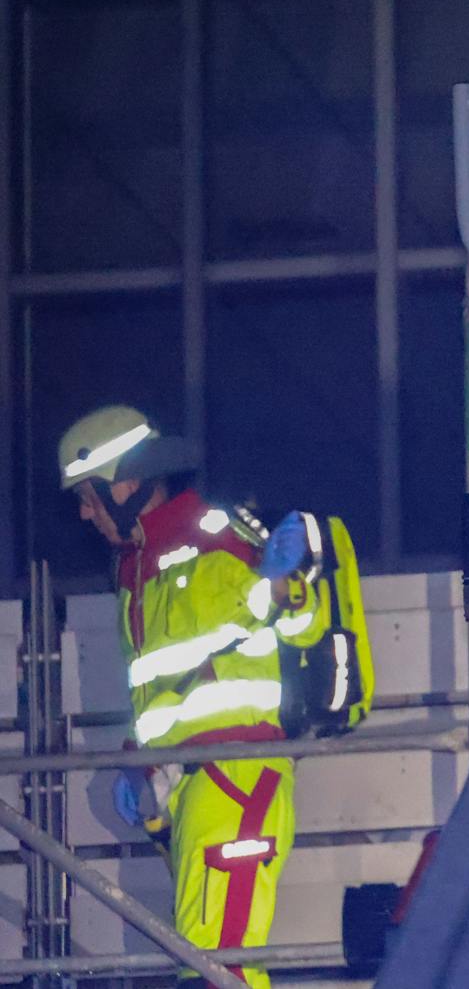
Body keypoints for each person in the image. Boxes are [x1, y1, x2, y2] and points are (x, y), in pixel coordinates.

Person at [58, 406, 327, 987]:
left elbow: (301, 621)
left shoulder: (220, 532)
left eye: (87, 495)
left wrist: (285, 584)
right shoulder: (134, 567)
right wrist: (142, 755)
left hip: (233, 776)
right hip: (191, 787)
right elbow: (179, 678)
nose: (83, 512)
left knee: (216, 969)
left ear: (124, 483)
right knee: (211, 966)